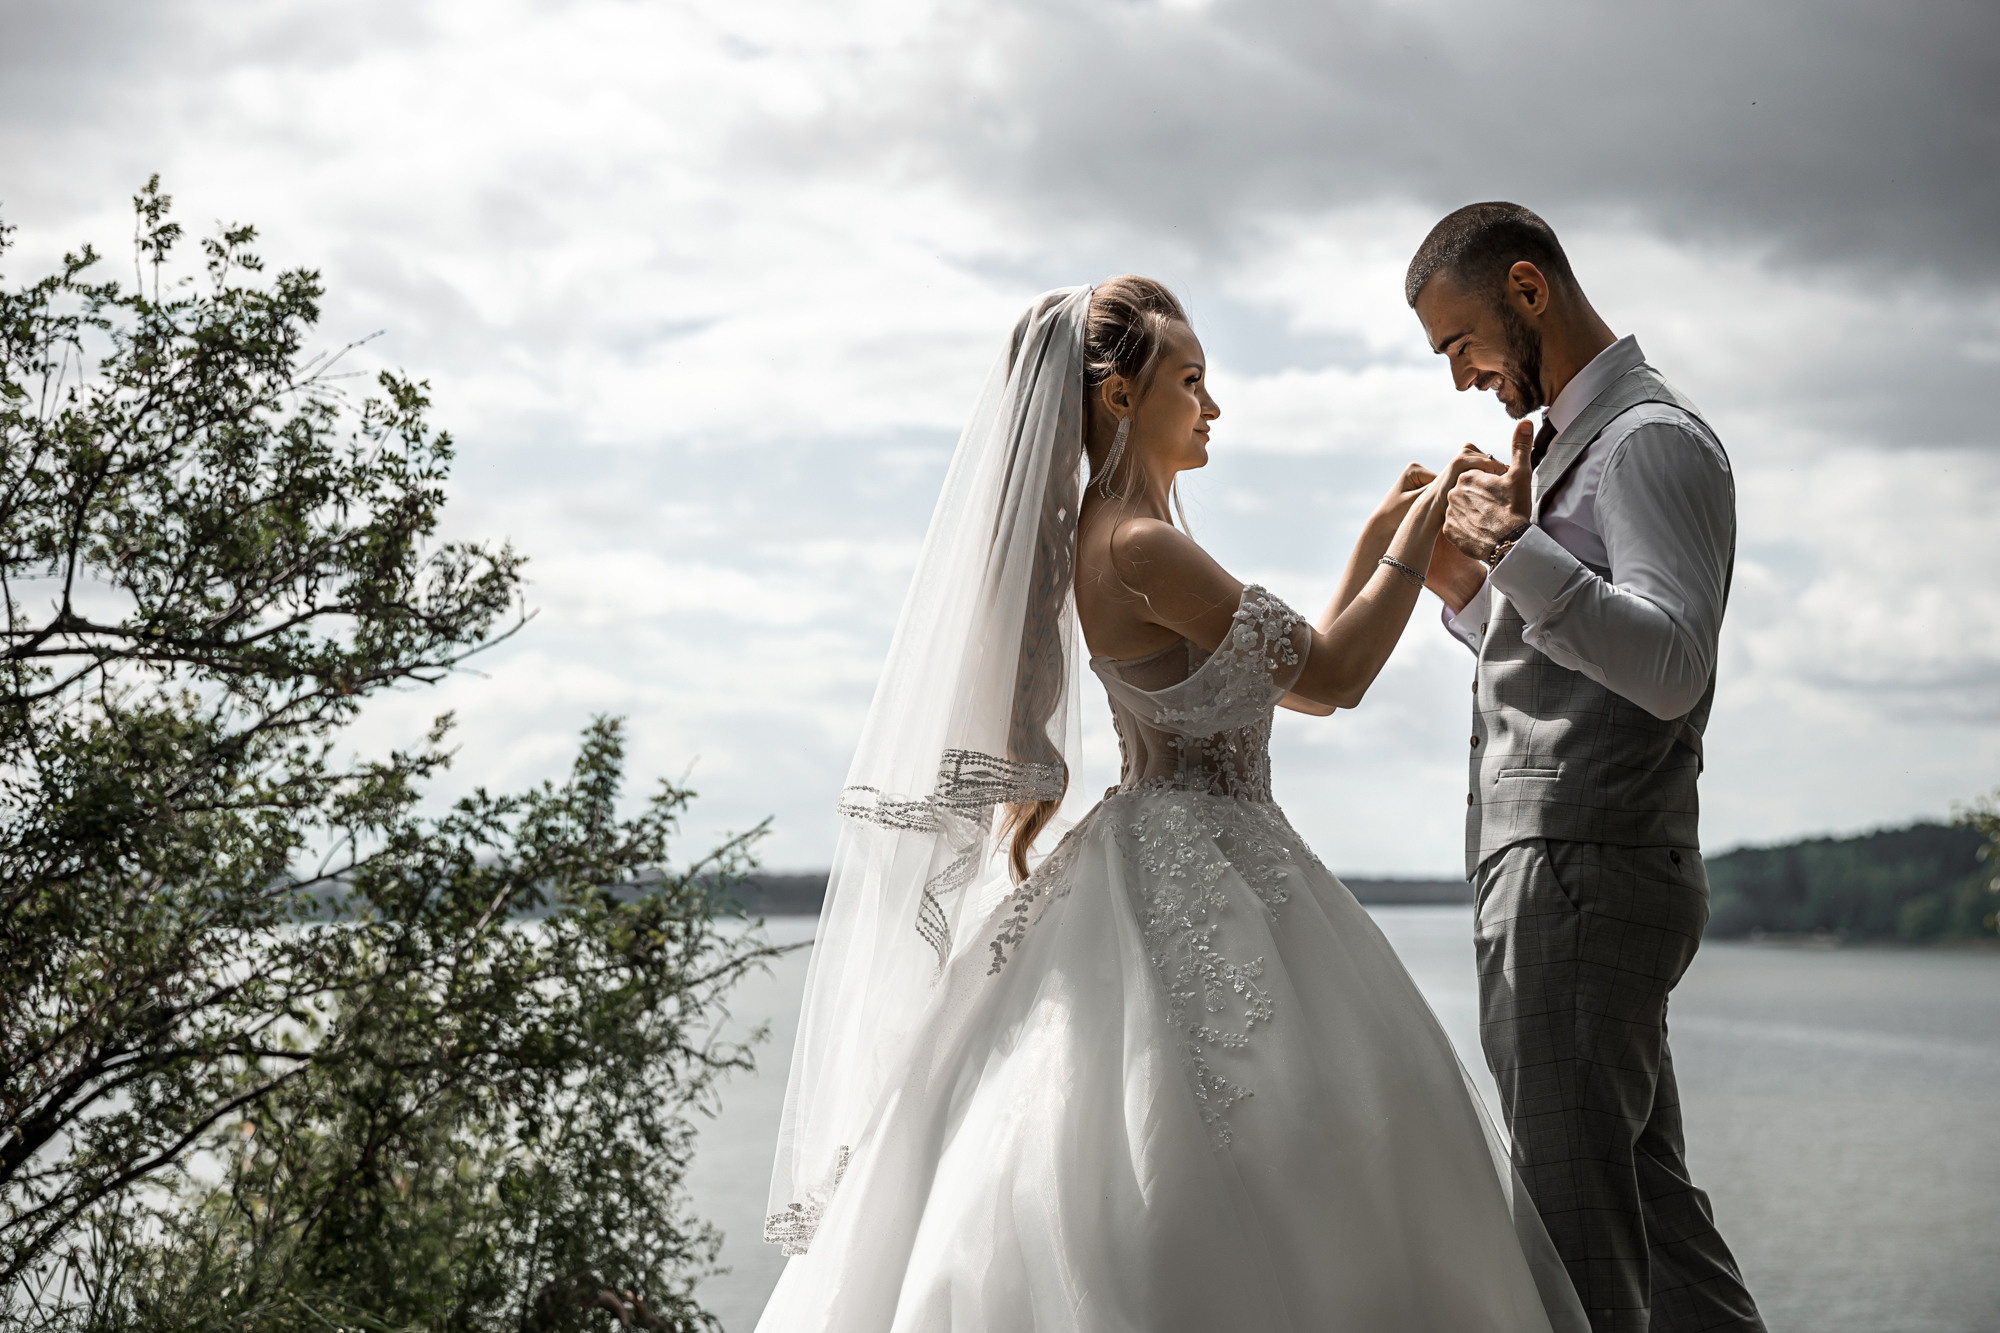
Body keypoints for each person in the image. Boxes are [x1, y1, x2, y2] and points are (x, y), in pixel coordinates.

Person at [756, 278, 1589, 1331]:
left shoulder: (1115, 536)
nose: (1211, 407)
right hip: (1207, 850)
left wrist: (1383, 537)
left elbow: (1283, 669)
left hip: (1167, 840)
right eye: (1189, 381)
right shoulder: (1138, 547)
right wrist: (1414, 533)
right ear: (1116, 396)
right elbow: (1328, 679)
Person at [1407, 202, 1765, 1333]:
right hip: (1560, 866)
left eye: (1457, 342)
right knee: (1648, 1221)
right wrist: (1472, 588)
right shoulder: (1567, 443)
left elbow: (1666, 665)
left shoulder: (1650, 440)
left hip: (1582, 869)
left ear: (1526, 289)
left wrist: (1516, 550)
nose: (1460, 376)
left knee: (1570, 1233)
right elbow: (1570, 651)